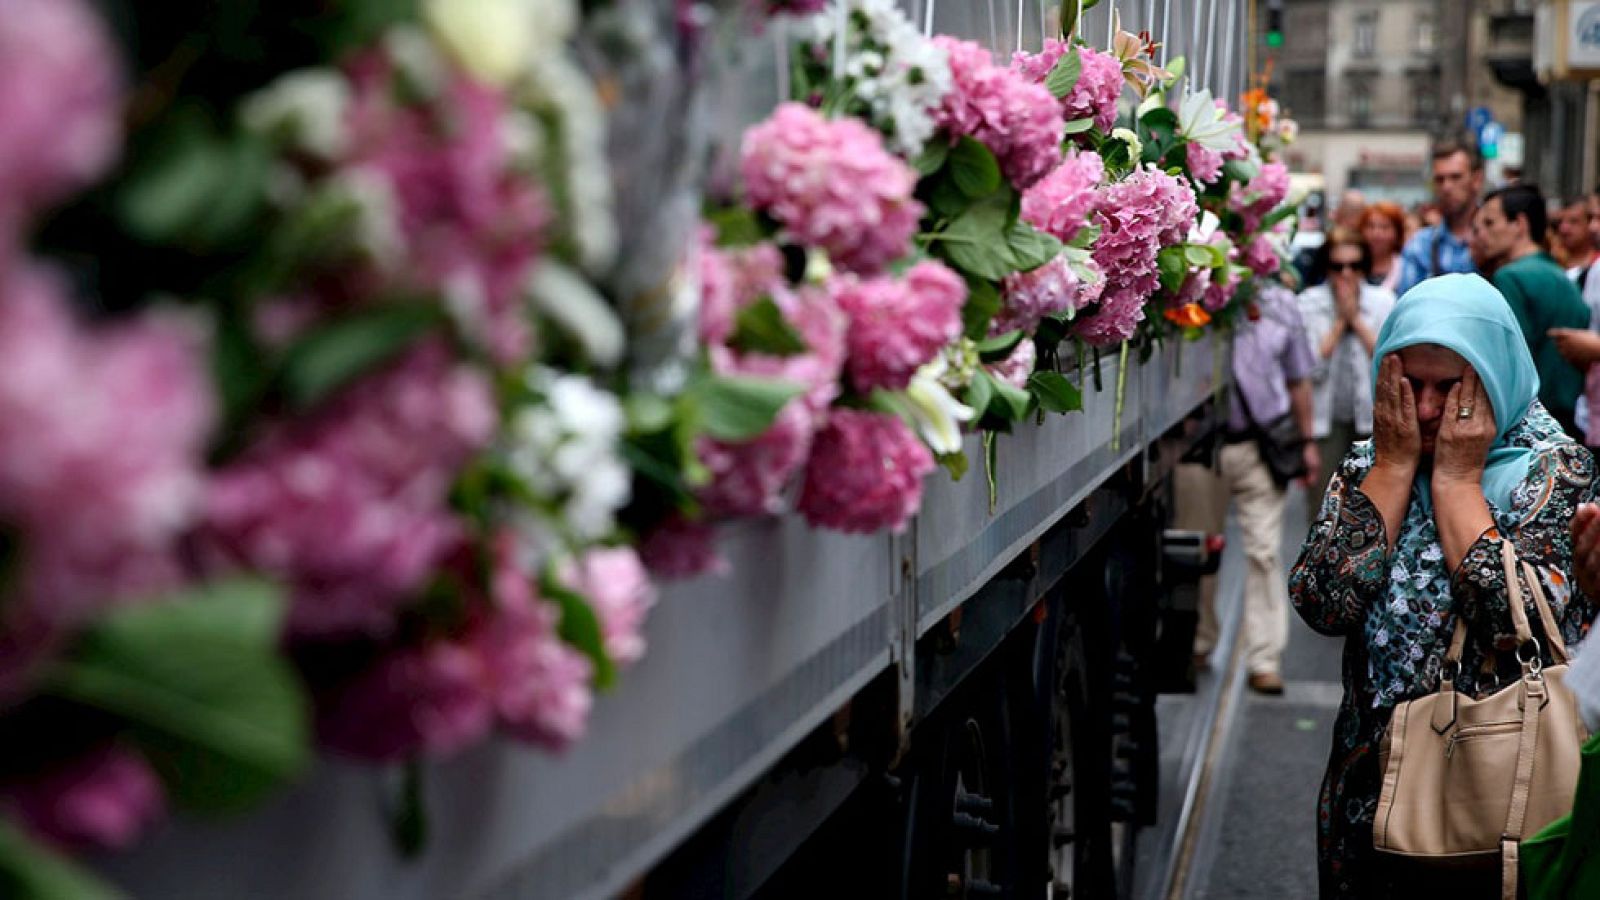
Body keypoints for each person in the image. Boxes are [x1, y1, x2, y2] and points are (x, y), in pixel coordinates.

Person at [1290, 273, 1598, 899]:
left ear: (1495, 376)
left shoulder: (1556, 469)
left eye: (1450, 387)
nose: (1427, 410)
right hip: (1368, 785)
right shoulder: (1370, 461)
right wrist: (1397, 466)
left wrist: (1458, 481)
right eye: (1410, 385)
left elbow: (1516, 627)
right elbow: (1324, 600)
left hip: (1496, 782)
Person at [1197, 279, 1318, 695]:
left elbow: (1298, 379)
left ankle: (1264, 658)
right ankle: (1200, 642)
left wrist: (1307, 444)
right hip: (1202, 447)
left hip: (1262, 444)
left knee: (1264, 553)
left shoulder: (1281, 304)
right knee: (1199, 549)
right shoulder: (1195, 292)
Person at [1469, 183, 1590, 437]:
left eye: (1490, 223)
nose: (1481, 235)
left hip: (1530, 426)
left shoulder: (1510, 277)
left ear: (1519, 224)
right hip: (1569, 422)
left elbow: (1507, 361)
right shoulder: (1559, 274)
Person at [1297, 229, 1397, 518]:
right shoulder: (1308, 304)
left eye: (1354, 265)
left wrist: (1357, 320)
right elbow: (1308, 369)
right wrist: (1341, 321)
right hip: (1324, 424)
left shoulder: (1383, 302)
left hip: (1372, 423)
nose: (1346, 274)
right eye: (1338, 266)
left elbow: (1388, 365)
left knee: (1373, 512)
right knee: (1323, 512)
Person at [1396, 140, 1485, 295]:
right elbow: (1408, 312)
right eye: (1439, 179)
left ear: (1476, 180)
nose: (1446, 187)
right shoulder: (1419, 246)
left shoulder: (1495, 240)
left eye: (1456, 177)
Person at [1358, 201, 1406, 293]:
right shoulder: (1350, 265)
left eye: (1385, 227)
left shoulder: (1406, 268)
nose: (1376, 234)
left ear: (1397, 233)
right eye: (1371, 226)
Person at [1553, 197, 1597, 281]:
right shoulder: (1552, 264)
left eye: (1573, 221)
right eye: (1560, 222)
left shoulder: (1597, 265)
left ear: (1590, 224)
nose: (1563, 229)